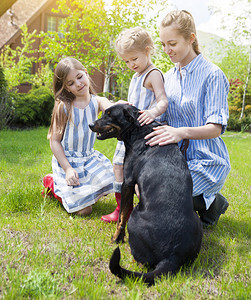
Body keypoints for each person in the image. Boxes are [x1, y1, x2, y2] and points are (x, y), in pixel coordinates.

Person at [145, 10, 231, 226]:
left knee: (166, 198)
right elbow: (162, 117)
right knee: (148, 190)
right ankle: (210, 202)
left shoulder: (212, 75)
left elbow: (216, 128)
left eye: (171, 43)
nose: (166, 50)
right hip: (176, 160)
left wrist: (180, 132)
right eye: (163, 44)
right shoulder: (169, 77)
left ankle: (211, 203)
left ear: (191, 38)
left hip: (206, 161)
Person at [101, 26, 169, 223]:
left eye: (134, 59)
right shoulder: (136, 75)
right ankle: (121, 207)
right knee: (118, 166)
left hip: (143, 134)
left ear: (147, 50)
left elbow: (163, 101)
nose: (131, 64)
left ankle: (140, 209)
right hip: (129, 132)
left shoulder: (153, 74)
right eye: (126, 61)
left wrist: (152, 111)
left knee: (135, 172)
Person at [43, 57, 114, 216]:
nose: (78, 84)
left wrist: (121, 106)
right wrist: (67, 169)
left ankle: (81, 191)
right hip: (67, 162)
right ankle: (53, 184)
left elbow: (112, 109)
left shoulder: (98, 101)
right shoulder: (64, 106)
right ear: (66, 88)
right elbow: (54, 141)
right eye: (71, 83)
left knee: (114, 181)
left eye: (79, 77)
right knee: (84, 210)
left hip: (88, 159)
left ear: (86, 74)